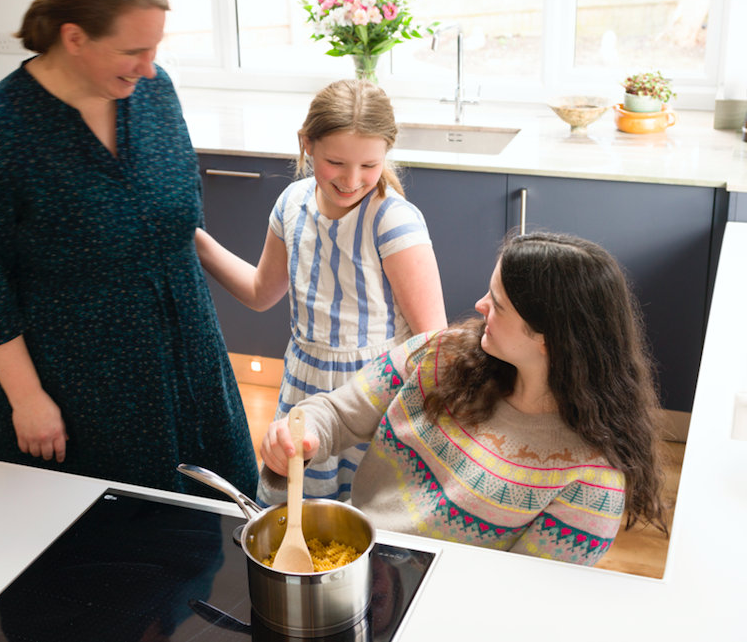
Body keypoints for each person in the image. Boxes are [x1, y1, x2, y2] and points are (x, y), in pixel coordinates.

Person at [0, 0, 258, 499]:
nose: (150, 66)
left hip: (193, 364)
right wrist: (28, 400)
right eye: (133, 50)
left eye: (156, 47)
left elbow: (179, 218)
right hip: (81, 385)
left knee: (219, 524)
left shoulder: (154, 95)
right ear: (74, 37)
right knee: (110, 555)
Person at [261, 232, 668, 566]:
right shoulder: (441, 353)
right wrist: (301, 436)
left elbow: (521, 605)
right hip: (351, 560)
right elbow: (336, 413)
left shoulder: (591, 485)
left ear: (547, 337)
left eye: (500, 305)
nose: (480, 306)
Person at [195, 78, 447, 503]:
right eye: (336, 163)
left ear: (387, 152)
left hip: (373, 391)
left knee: (369, 515)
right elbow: (261, 292)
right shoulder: (292, 203)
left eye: (369, 165)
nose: (352, 180)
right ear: (306, 144)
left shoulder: (392, 220)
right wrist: (195, 240)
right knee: (300, 510)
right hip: (304, 386)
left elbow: (432, 344)